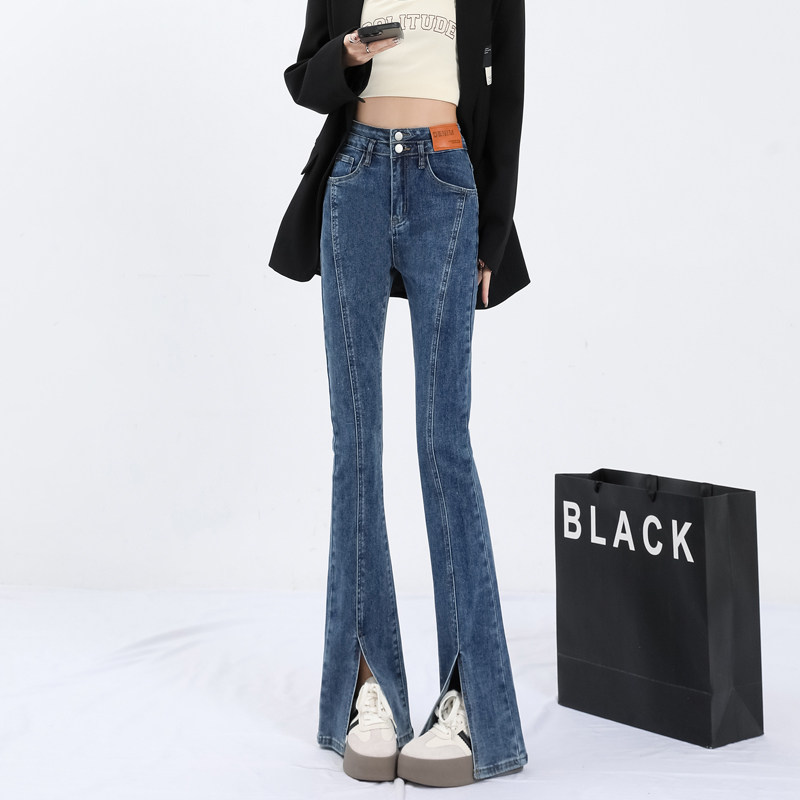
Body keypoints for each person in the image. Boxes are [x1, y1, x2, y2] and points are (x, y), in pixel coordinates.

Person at [269, 0, 530, 787]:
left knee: (444, 441)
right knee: (356, 442)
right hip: (353, 179)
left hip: (447, 183)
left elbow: (508, 98)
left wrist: (494, 232)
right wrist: (348, 55)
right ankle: (369, 688)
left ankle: (466, 703)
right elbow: (305, 82)